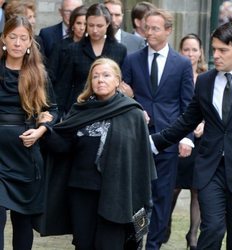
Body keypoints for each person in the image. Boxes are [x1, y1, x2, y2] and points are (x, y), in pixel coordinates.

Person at [150, 21, 232, 250]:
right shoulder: (205, 81)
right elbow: (187, 120)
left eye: (223, 50)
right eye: (214, 49)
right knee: (212, 228)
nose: (216, 55)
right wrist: (153, 142)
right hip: (210, 168)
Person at [39, 57, 156, 250]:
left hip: (118, 194)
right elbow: (64, 146)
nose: (100, 80)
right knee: (84, 245)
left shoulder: (133, 113)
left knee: (110, 245)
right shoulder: (81, 110)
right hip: (82, 191)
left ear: (118, 80)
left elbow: (141, 162)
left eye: (106, 75)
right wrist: (45, 129)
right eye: (95, 76)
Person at [122, 9, 194, 250]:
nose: (148, 32)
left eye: (154, 28)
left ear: (168, 31)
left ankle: (153, 245)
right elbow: (123, 97)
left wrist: (186, 137)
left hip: (168, 140)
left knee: (162, 198)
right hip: (138, 138)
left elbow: (188, 105)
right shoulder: (132, 59)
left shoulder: (182, 64)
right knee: (139, 196)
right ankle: (137, 240)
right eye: (146, 27)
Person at [0, 16, 58, 250]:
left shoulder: (38, 73)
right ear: (4, 39)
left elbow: (53, 109)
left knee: (23, 218)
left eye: (23, 38)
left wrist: (41, 130)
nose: (17, 42)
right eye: (12, 37)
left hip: (25, 153)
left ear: (29, 42)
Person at [164, 34, 207, 249]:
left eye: (194, 49)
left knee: (197, 190)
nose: (190, 54)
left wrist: (204, 124)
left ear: (201, 52)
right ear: (180, 51)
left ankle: (193, 236)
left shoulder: (207, 77)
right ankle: (165, 224)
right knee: (173, 188)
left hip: (202, 142)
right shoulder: (175, 74)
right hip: (180, 138)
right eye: (186, 49)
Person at [54, 3, 127, 119]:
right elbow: (63, 85)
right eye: (91, 25)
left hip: (110, 109)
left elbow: (122, 83)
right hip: (79, 108)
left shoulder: (119, 50)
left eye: (99, 26)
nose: (95, 30)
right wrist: (58, 116)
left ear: (108, 24)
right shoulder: (73, 49)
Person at [48, 5, 87, 87]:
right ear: (73, 25)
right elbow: (51, 75)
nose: (82, 27)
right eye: (78, 23)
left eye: (85, 24)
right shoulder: (59, 47)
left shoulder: (91, 48)